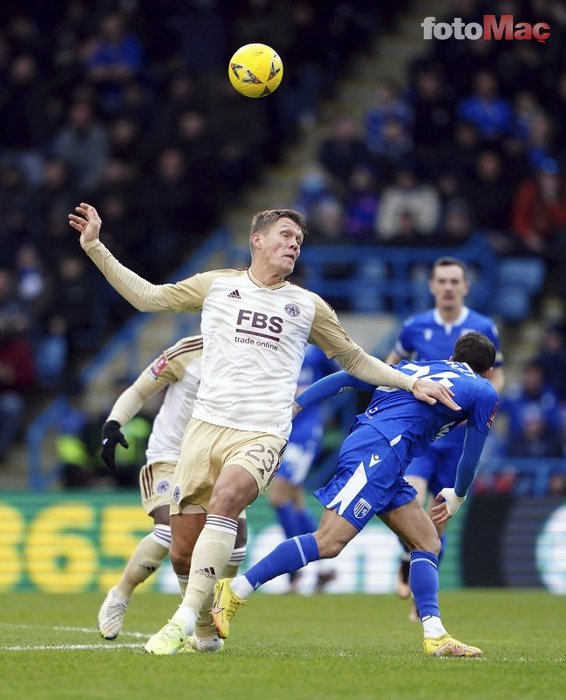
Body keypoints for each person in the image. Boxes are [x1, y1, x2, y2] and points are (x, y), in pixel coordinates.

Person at [68, 202, 459, 656]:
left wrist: (411, 380)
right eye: (286, 235)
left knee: (228, 498)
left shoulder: (307, 305)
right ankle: (202, 624)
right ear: (258, 239)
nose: (294, 244)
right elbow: (149, 298)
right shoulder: (218, 286)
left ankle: (178, 621)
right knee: (180, 552)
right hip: (203, 430)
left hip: (262, 432)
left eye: (299, 240)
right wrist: (95, 246)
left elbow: (355, 360)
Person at [212, 332, 499, 658]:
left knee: (427, 542)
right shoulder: (483, 390)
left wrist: (296, 405)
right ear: (488, 371)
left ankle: (435, 635)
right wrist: (458, 495)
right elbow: (471, 455)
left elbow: (347, 377)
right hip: (379, 452)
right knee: (329, 541)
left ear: (451, 357)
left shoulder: (414, 367)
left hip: (383, 452)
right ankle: (233, 591)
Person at [96, 335, 247, 653]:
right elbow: (140, 388)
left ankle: (208, 621)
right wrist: (113, 424)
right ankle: (121, 594)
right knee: (170, 534)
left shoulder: (258, 354)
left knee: (236, 548)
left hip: (216, 460)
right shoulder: (190, 350)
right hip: (170, 457)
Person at [385, 256, 504, 619]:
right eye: (442, 281)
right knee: (412, 497)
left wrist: (485, 412)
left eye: (455, 281)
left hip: (457, 441)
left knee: (439, 518)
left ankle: (423, 591)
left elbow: (496, 378)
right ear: (432, 286)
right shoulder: (415, 327)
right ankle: (407, 555)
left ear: (465, 287)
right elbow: (391, 366)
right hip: (422, 437)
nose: (449, 287)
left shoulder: (484, 327)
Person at [267, 343, 339, 593]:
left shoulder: (317, 351)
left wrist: (313, 395)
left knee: (278, 496)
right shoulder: (277, 345)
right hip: (280, 431)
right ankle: (322, 569)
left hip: (304, 433)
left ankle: (294, 567)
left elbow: (340, 375)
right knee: (295, 500)